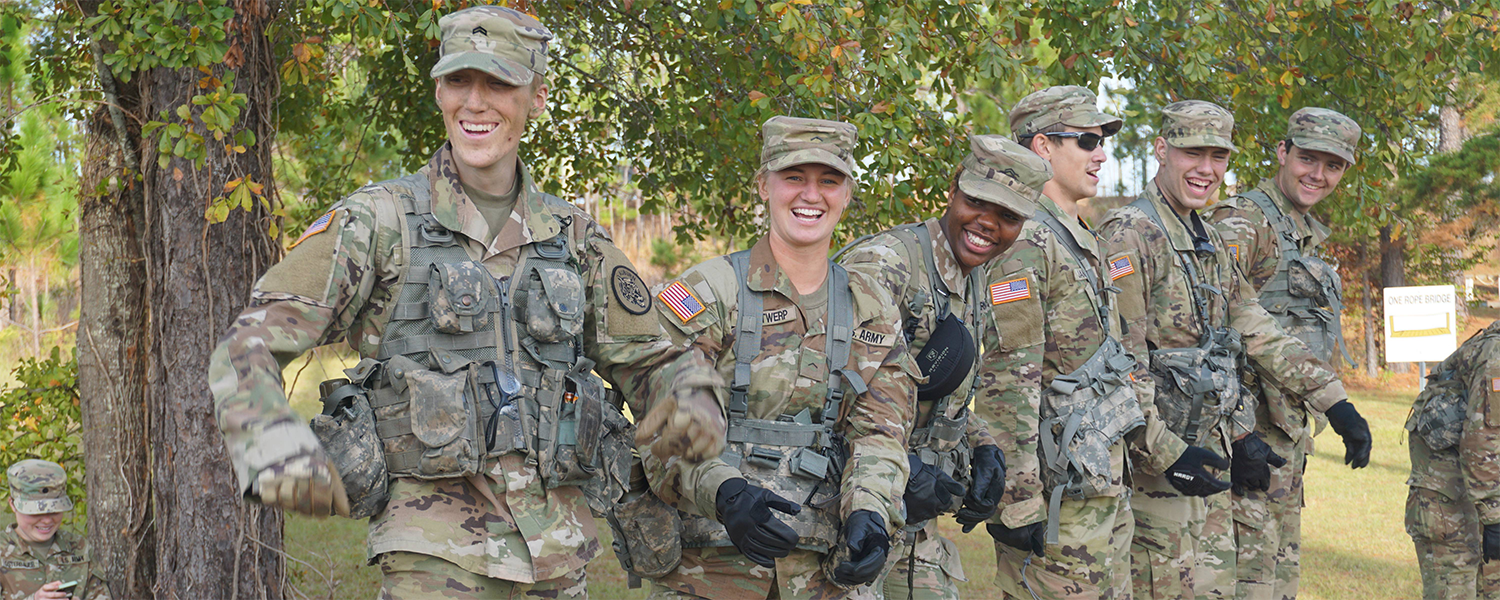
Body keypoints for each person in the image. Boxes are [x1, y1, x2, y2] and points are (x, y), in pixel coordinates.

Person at [208, 7, 718, 599]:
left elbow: (654, 359)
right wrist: (268, 442)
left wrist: (691, 398)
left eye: (499, 83)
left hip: (558, 563)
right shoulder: (380, 222)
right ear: (438, 91)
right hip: (433, 561)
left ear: (537, 96)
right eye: (458, 81)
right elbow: (248, 343)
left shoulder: (575, 237)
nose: (475, 103)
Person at [630, 115, 913, 600]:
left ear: (847, 194)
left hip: (826, 575)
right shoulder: (711, 290)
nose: (811, 195)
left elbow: (881, 430)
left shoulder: (871, 304)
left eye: (829, 180)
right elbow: (665, 422)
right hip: (711, 568)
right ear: (763, 185)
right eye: (793, 178)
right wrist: (723, 491)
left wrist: (870, 509)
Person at [1096, 100, 1366, 599]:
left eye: (1217, 156)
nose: (1205, 169)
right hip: (1160, 467)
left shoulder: (1205, 241)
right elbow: (1119, 368)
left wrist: (1334, 401)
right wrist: (1170, 453)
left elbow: (1249, 330)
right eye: (1192, 153)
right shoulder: (1130, 235)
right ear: (1161, 150)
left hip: (1207, 457)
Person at [982, 85, 1188, 600]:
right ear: (1042, 147)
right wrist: (1018, 501)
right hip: (1056, 499)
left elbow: (1113, 366)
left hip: (1098, 482)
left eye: (1103, 141)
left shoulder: (1078, 234)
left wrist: (1164, 448)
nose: (1101, 154)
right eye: (1087, 140)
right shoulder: (1025, 238)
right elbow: (1008, 378)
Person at [839, 134, 1044, 599]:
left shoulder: (972, 276)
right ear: (954, 191)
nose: (988, 223)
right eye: (977, 202)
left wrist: (981, 444)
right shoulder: (887, 265)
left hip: (917, 527)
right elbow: (826, 392)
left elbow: (925, 390)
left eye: (1008, 216)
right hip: (858, 510)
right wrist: (901, 468)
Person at [1206, 107, 1371, 600]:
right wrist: (1235, 434)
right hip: (1246, 442)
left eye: (1333, 165)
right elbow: (1209, 335)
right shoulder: (1243, 223)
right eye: (1307, 159)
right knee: (1245, 584)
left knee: (1276, 583)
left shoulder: (1296, 230)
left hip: (1284, 439)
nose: (1317, 175)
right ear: (1282, 153)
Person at [1405, 319, 1500, 600]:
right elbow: (1483, 439)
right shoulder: (1496, 355)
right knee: (1455, 587)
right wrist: (1494, 517)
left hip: (1482, 489)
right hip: (1449, 492)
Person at [0, 460, 111, 600]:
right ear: (13, 504)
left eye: (55, 511)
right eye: (36, 512)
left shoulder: (79, 548)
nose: (46, 520)